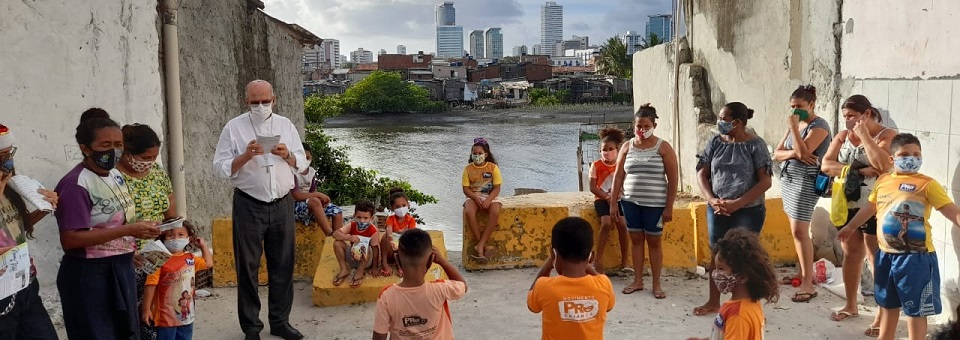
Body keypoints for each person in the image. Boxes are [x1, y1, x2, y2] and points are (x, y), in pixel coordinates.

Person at [839, 133, 960, 340]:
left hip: (916, 258)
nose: (911, 158)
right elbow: (870, 207)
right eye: (905, 154)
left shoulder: (927, 184)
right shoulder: (883, 181)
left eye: (916, 154)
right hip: (886, 255)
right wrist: (850, 227)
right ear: (892, 159)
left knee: (916, 310)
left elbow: (950, 210)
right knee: (887, 304)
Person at [212, 80, 307, 340]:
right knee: (248, 267)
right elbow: (219, 166)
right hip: (249, 203)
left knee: (283, 265)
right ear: (247, 102)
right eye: (255, 102)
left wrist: (287, 154)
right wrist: (245, 155)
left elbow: (303, 164)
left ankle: (280, 321)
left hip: (282, 203)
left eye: (265, 101)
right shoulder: (234, 127)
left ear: (274, 99)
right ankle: (251, 327)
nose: (261, 106)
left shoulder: (285, 125)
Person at [54, 108, 162, 339]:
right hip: (90, 275)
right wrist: (129, 230)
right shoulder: (76, 184)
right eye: (105, 145)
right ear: (85, 148)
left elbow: (112, 223)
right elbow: (70, 239)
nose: (114, 151)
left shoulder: (115, 175)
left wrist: (127, 248)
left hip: (120, 268)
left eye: (118, 144)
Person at [820, 95, 896, 335]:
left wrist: (864, 136)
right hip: (847, 204)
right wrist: (857, 170)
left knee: (876, 259)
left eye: (852, 116)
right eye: (845, 117)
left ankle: (881, 313)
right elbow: (825, 165)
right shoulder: (842, 137)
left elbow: (883, 165)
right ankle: (851, 304)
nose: (848, 121)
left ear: (867, 114)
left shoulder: (887, 136)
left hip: (875, 204)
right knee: (851, 253)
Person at [692, 102, 773, 316]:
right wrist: (711, 199)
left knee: (745, 257)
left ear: (737, 122)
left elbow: (765, 182)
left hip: (748, 211)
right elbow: (702, 172)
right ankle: (713, 301)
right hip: (718, 208)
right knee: (716, 255)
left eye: (723, 118)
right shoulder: (715, 142)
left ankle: (745, 303)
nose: (720, 122)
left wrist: (738, 203)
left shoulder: (756, 145)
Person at [610, 104, 679, 299]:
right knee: (636, 239)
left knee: (654, 241)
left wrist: (669, 207)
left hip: (655, 204)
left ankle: (656, 284)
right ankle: (638, 280)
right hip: (630, 202)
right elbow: (618, 177)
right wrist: (613, 203)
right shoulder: (626, 146)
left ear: (654, 125)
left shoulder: (663, 147)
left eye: (646, 126)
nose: (642, 130)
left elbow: (673, 179)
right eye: (638, 126)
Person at [117, 123, 178, 340]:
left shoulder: (158, 173)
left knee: (158, 313)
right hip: (127, 258)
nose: (150, 163)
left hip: (158, 256)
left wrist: (173, 233)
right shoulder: (113, 178)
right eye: (145, 157)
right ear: (127, 153)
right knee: (131, 317)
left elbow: (170, 207)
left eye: (154, 157)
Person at [773, 85, 832, 303]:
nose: (795, 111)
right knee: (797, 232)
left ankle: (808, 283)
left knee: (800, 231)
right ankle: (802, 273)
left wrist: (794, 132)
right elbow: (778, 154)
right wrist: (794, 152)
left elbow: (803, 152)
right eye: (792, 107)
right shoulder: (795, 126)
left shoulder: (819, 126)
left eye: (800, 106)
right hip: (789, 180)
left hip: (806, 183)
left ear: (812, 105)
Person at [0, 124, 59, 339]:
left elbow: (17, 230)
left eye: (9, 154)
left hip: (24, 283)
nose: (6, 162)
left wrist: (45, 208)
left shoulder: (11, 188)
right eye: (1, 157)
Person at [527, 217, 615, 340]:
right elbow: (609, 306)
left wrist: (548, 265)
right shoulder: (603, 283)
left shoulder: (544, 286)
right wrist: (589, 266)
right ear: (591, 256)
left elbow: (532, 306)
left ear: (553, 254)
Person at [372, 229, 467, 340]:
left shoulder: (387, 296)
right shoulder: (440, 289)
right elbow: (462, 285)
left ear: (397, 259)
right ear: (431, 261)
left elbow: (379, 337)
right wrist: (442, 261)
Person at [686, 228, 780, 340]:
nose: (715, 274)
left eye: (721, 269)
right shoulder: (748, 304)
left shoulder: (738, 315)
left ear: (742, 277)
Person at [141, 219, 212, 340]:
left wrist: (203, 245)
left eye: (180, 235)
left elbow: (208, 263)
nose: (175, 238)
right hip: (165, 316)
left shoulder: (190, 258)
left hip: (187, 315)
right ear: (163, 239)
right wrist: (146, 309)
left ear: (188, 239)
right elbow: (150, 284)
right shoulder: (160, 259)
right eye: (170, 235)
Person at [587, 127, 630, 275]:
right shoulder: (596, 165)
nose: (608, 152)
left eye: (611, 149)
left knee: (623, 224)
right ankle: (598, 260)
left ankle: (625, 261)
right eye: (604, 149)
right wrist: (606, 197)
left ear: (617, 150)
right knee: (605, 222)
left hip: (619, 198)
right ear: (600, 150)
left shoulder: (621, 165)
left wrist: (615, 197)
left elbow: (625, 184)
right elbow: (592, 187)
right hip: (601, 198)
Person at [462, 137, 502, 262]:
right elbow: (466, 189)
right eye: (474, 153)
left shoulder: (493, 168)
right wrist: (475, 197)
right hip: (473, 196)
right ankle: (482, 245)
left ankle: (480, 244)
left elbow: (497, 188)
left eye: (480, 153)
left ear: (486, 154)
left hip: (490, 196)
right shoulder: (468, 169)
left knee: (495, 211)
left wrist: (488, 200)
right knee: (469, 212)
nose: (477, 156)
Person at [291, 143, 343, 237]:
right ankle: (329, 233)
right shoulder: (293, 172)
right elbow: (296, 196)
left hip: (309, 204)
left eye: (308, 158)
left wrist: (322, 200)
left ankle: (339, 239)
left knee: (336, 211)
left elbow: (313, 191)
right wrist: (318, 195)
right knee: (314, 201)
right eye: (303, 158)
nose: (306, 161)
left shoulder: (311, 172)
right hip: (294, 206)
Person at [332, 201, 380, 288]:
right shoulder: (352, 225)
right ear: (354, 215)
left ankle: (360, 272)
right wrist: (348, 237)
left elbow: (375, 250)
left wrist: (375, 267)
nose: (362, 220)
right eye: (359, 217)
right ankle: (344, 269)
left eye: (365, 218)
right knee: (337, 243)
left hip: (366, 260)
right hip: (352, 256)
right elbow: (335, 234)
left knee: (366, 248)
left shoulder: (373, 231)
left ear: (371, 218)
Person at [377, 188, 417, 277]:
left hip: (402, 251)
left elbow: (411, 233)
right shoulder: (391, 219)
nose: (401, 208)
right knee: (385, 237)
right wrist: (390, 236)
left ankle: (402, 265)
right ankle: (384, 263)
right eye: (397, 207)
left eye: (403, 205)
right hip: (390, 251)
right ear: (392, 208)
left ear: (408, 205)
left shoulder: (411, 220)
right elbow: (389, 228)